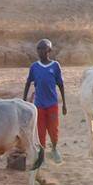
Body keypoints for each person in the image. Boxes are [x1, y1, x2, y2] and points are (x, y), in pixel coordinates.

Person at [22, 38, 66, 167]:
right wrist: (24, 100)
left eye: (43, 48)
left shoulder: (55, 66)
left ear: (49, 50)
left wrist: (64, 104)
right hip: (39, 105)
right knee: (40, 131)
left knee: (53, 130)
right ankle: (42, 156)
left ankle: (54, 149)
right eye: (38, 49)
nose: (40, 51)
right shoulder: (34, 67)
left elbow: (61, 84)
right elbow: (28, 82)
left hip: (52, 104)